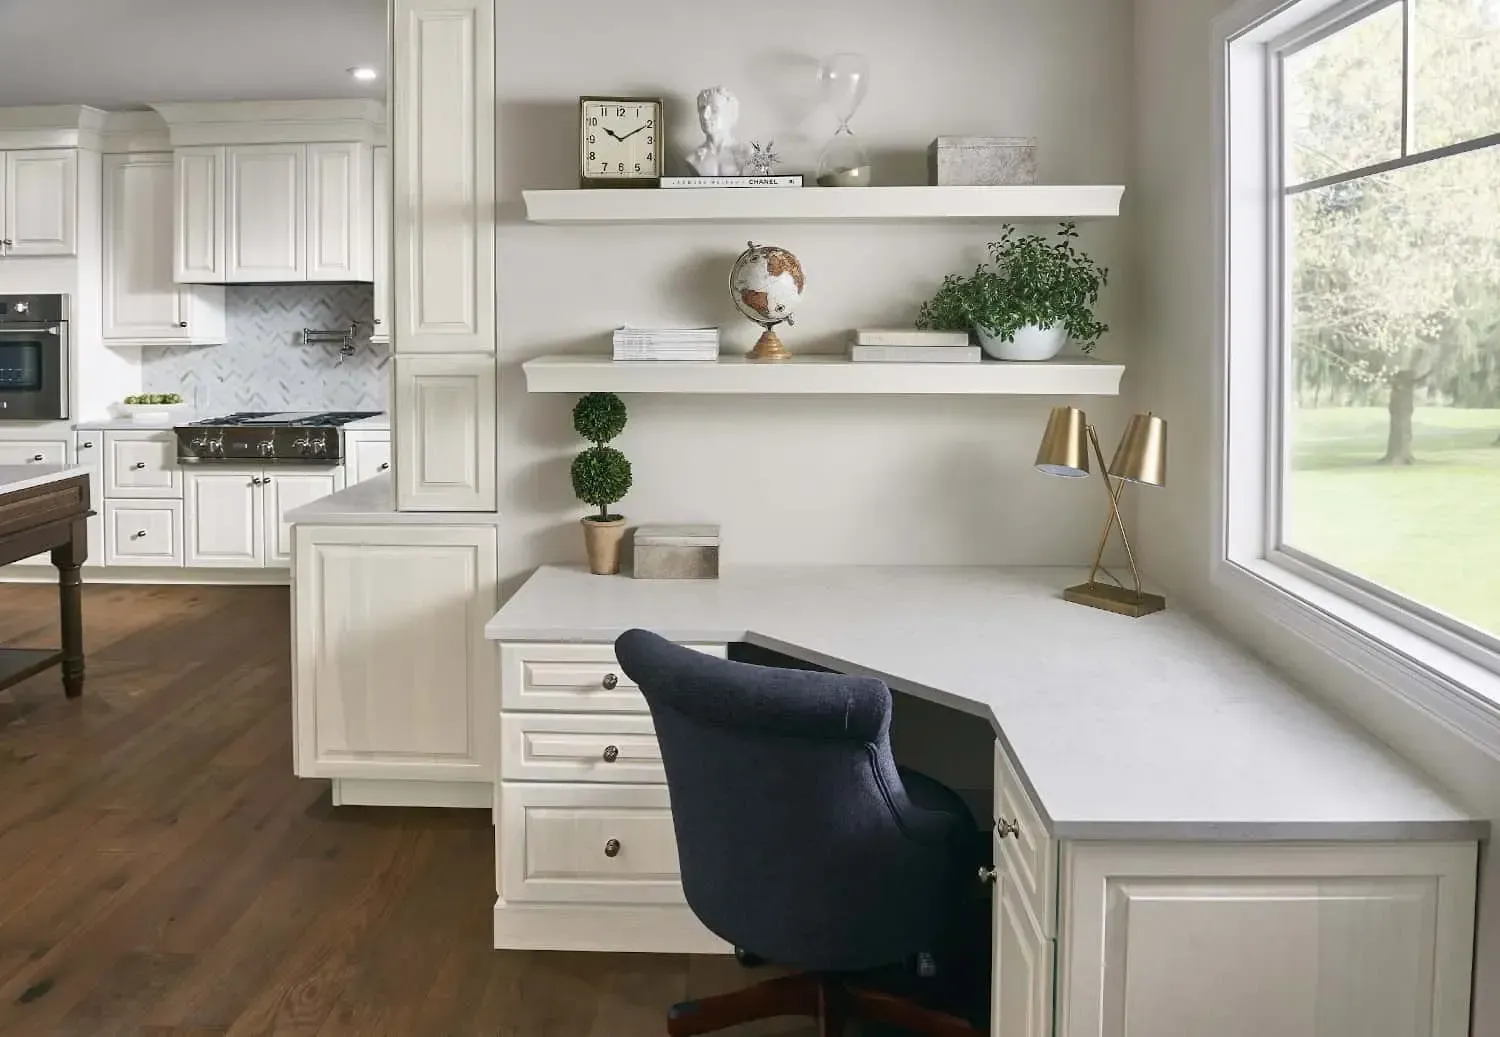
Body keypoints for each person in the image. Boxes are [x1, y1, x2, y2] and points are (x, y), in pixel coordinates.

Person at [685, 86, 753, 177]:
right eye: (702, 109)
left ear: (730, 113)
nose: (705, 116)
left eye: (714, 109)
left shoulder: (746, 153)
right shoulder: (693, 158)